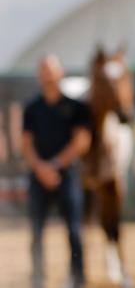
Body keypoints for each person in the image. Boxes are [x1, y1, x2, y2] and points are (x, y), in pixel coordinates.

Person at [22, 55, 92, 288]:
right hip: (38, 176)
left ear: (60, 73)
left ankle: (78, 279)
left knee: (74, 230)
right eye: (44, 71)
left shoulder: (76, 108)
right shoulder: (32, 109)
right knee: (36, 231)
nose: (48, 75)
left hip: (67, 175)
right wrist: (41, 168)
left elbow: (82, 141)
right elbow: (26, 144)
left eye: (51, 70)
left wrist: (56, 165)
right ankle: (38, 279)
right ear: (39, 76)